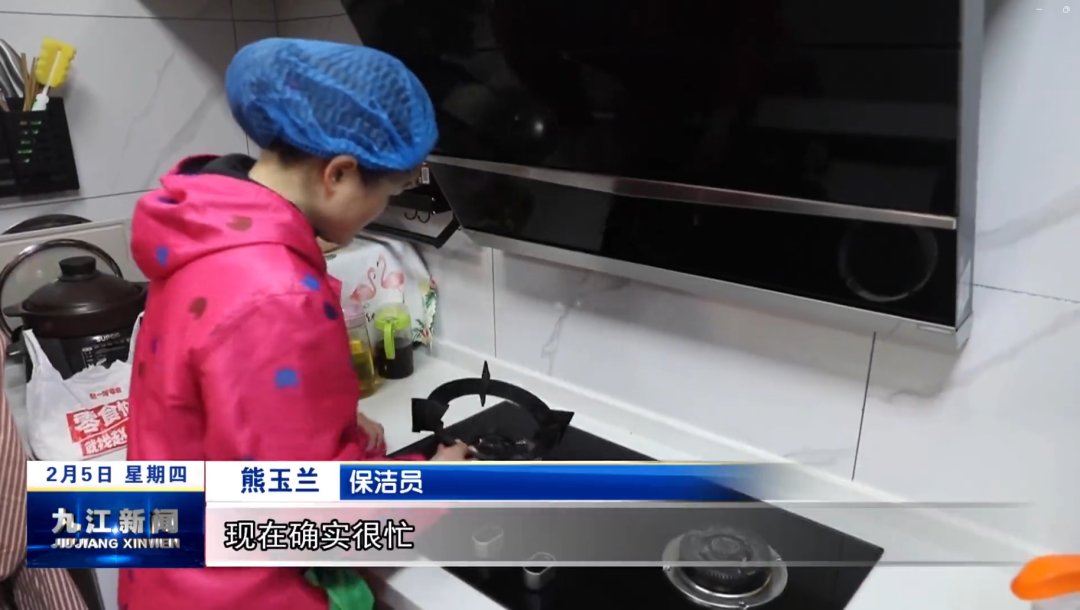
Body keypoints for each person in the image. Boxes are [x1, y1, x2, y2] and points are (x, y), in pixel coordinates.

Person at [118, 38, 469, 610]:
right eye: (388, 192)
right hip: (242, 593)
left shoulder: (209, 234)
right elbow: (315, 523)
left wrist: (326, 424)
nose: (381, 209)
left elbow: (220, 404)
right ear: (339, 174)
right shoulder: (275, 291)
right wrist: (436, 484)